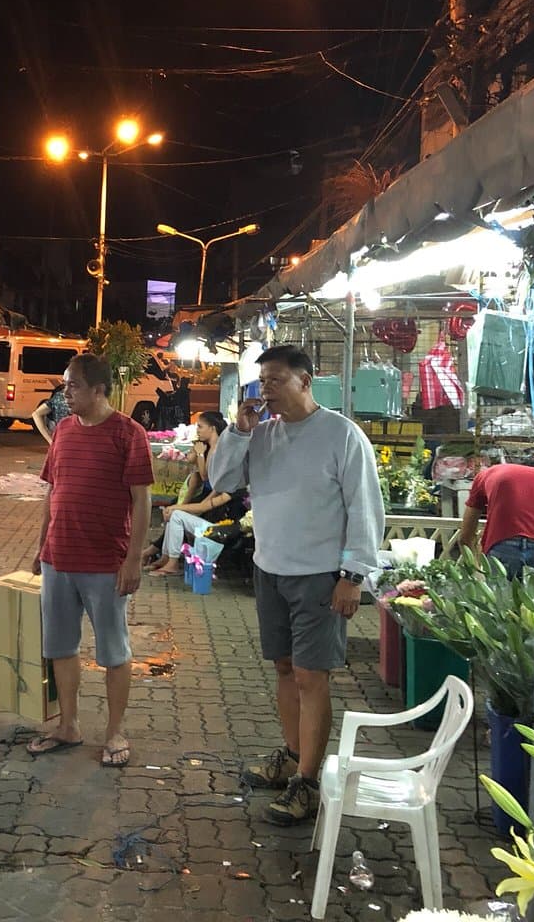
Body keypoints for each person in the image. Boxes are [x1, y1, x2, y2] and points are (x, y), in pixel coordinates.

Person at [211, 345, 383, 826]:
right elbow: (221, 480)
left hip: (321, 576)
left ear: (306, 382)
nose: (265, 389)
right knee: (285, 668)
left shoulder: (342, 435)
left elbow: (365, 509)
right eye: (262, 381)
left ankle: (307, 782)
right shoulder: (260, 434)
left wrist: (353, 575)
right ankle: (290, 754)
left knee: (312, 676)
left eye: (276, 379)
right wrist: (238, 432)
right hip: (271, 570)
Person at [28, 354, 153, 767]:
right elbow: (52, 490)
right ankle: (69, 724)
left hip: (104, 563)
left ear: (99, 390)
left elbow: (141, 500)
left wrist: (133, 559)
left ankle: (115, 731)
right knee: (60, 646)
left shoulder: (128, 434)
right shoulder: (63, 430)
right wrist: (40, 545)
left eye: (73, 386)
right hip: (58, 559)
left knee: (114, 651)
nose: (66, 394)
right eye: (66, 385)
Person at [143, 412, 243, 574]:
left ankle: (170, 561)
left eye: (200, 426)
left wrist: (178, 508)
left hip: (220, 526)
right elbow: (198, 474)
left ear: (213, 428)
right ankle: (166, 557)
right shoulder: (221, 479)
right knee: (173, 511)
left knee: (175, 513)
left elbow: (204, 483)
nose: (197, 429)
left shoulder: (230, 483)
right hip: (211, 510)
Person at [460, 460, 534, 578]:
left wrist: (475, 569)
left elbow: (466, 534)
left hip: (502, 543)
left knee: (501, 595)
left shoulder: (487, 474)